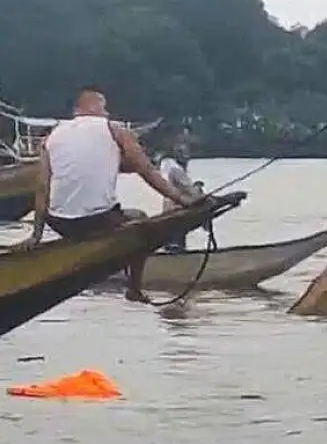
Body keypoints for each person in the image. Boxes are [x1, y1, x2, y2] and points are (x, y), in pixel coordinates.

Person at [17, 85, 197, 303]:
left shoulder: (51, 137)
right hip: (98, 219)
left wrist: (36, 234)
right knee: (140, 220)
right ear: (90, 105)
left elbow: (42, 187)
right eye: (104, 106)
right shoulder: (115, 129)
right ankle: (134, 288)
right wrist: (183, 201)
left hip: (59, 222)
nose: (108, 112)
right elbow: (146, 171)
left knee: (113, 220)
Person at [158, 131, 204, 252]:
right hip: (178, 213)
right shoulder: (175, 169)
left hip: (167, 212)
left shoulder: (165, 163)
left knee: (170, 244)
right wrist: (198, 188)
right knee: (177, 245)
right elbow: (191, 191)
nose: (187, 156)